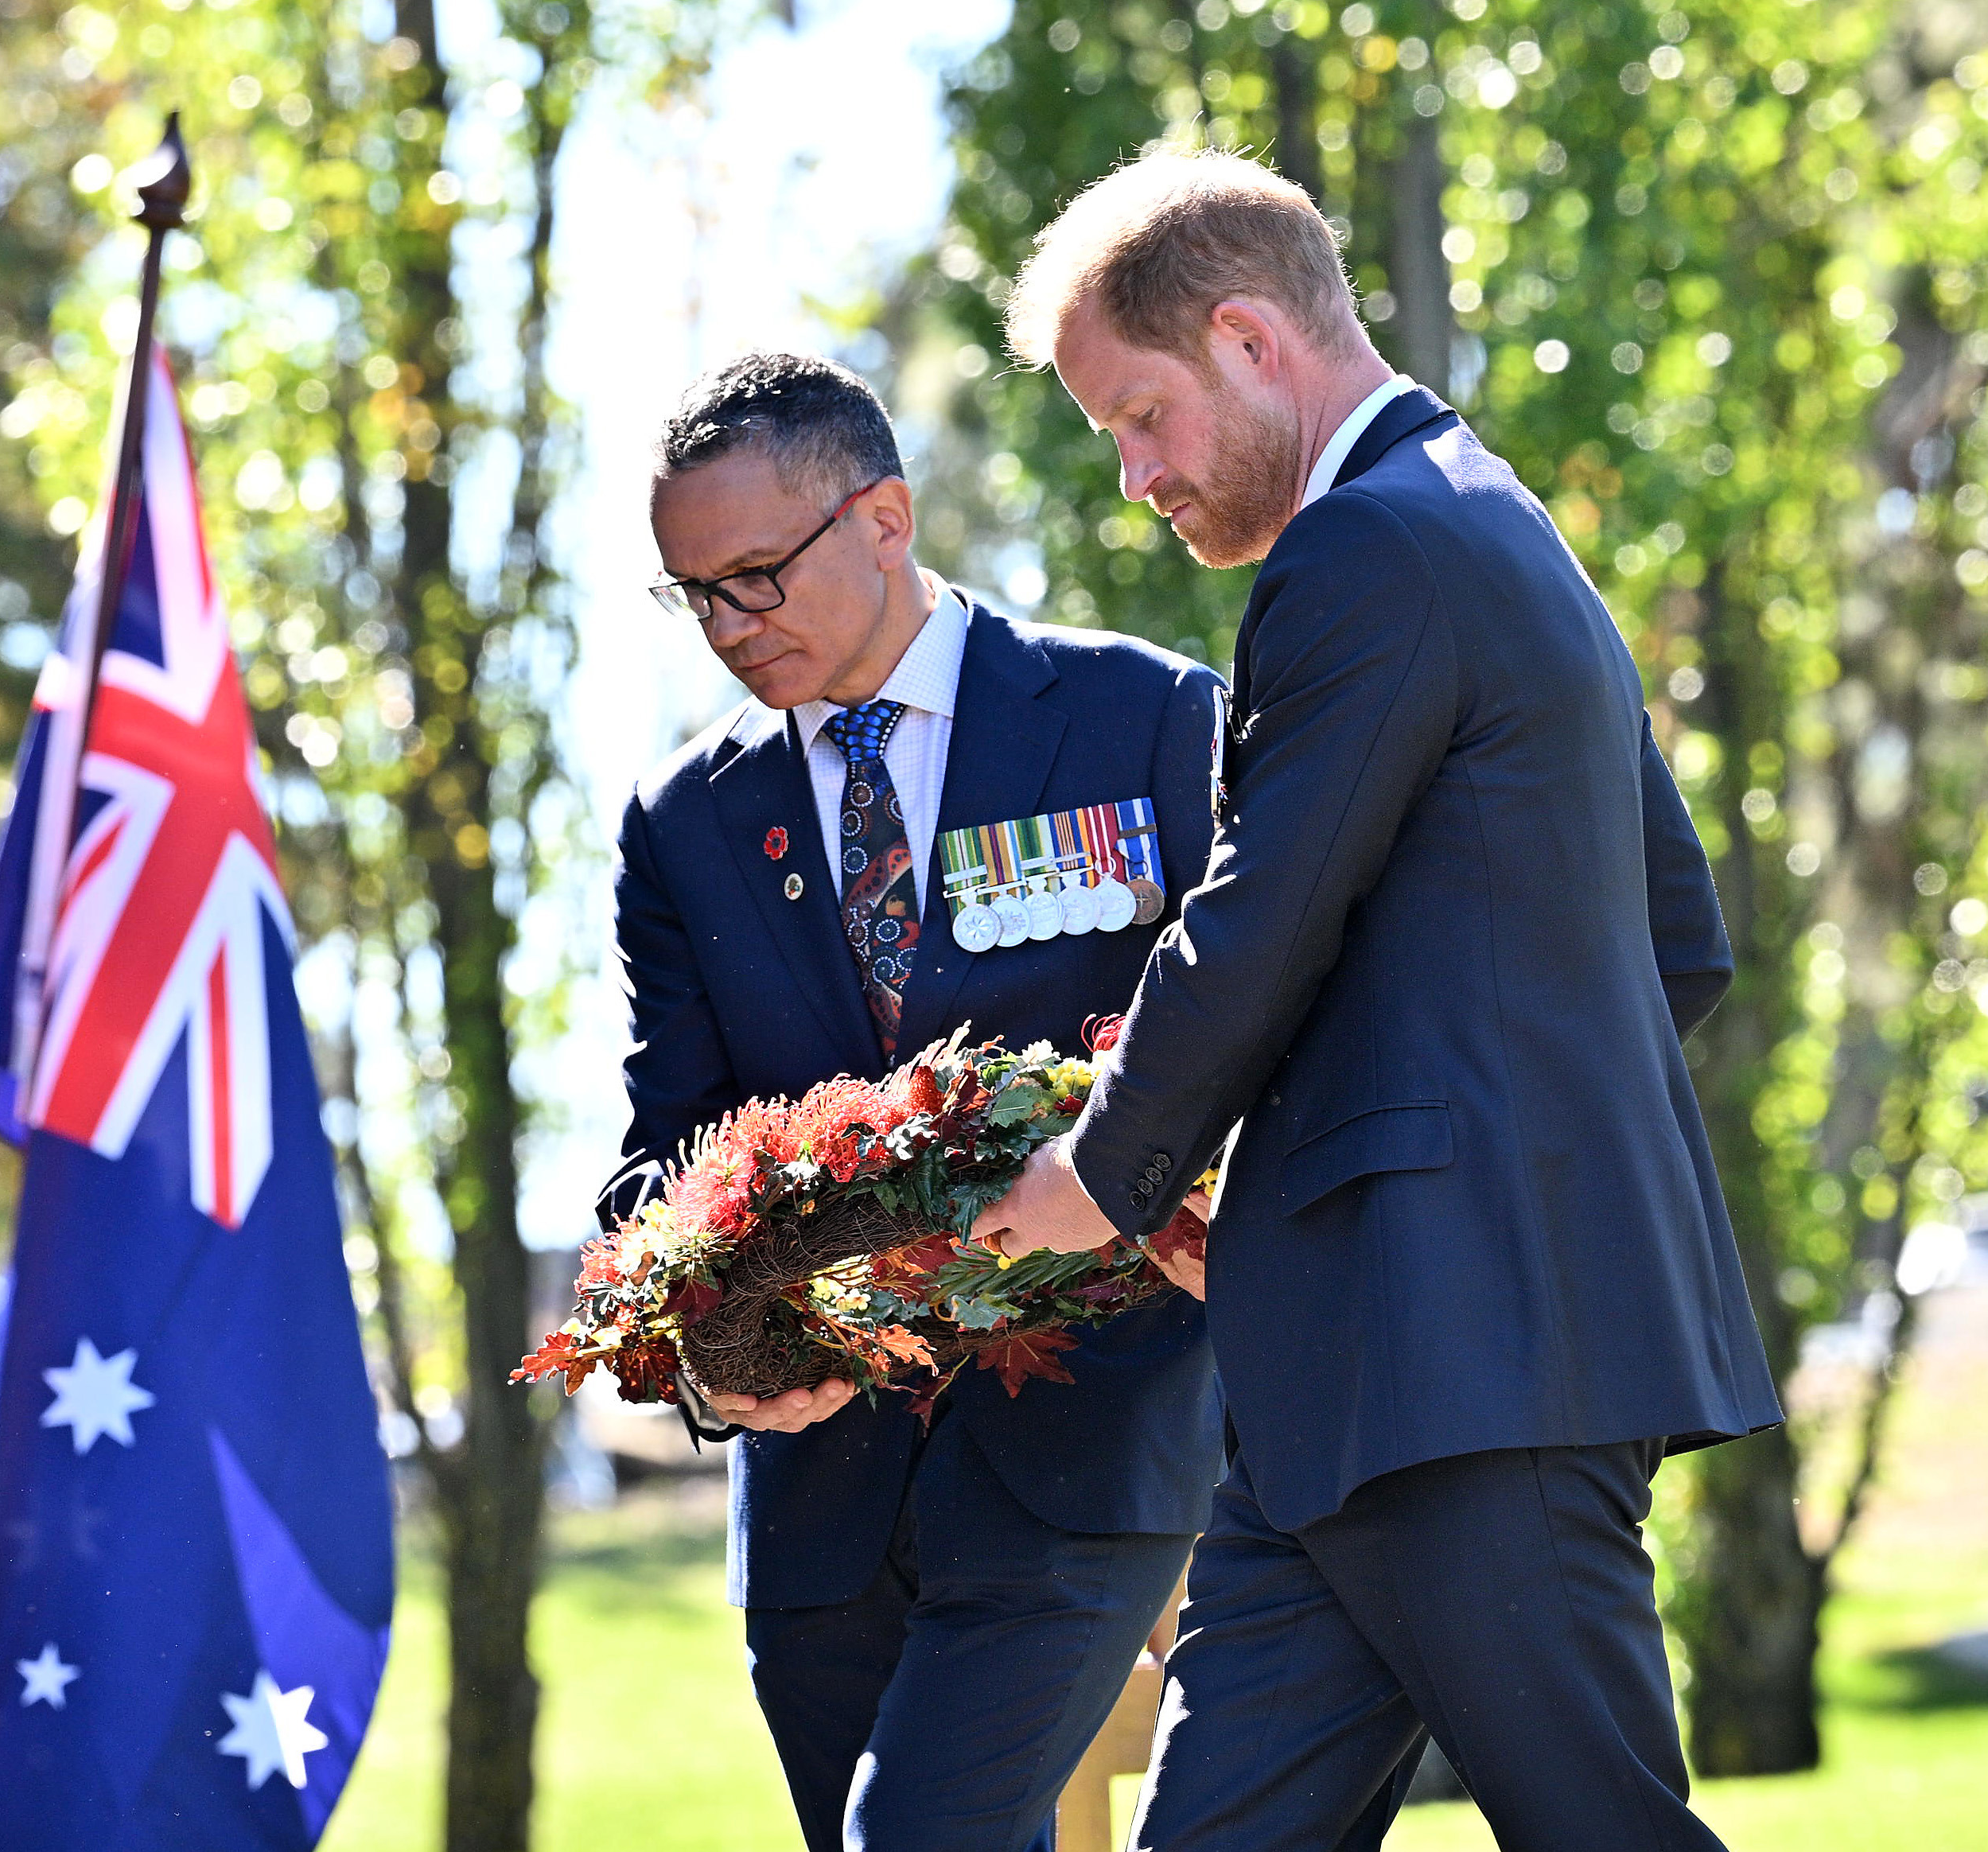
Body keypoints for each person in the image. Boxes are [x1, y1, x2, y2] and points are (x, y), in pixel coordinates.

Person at [978, 149, 1786, 1850]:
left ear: (1251, 341)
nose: (1134, 477)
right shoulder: (1496, 524)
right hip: (1362, 1378)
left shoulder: (1370, 552)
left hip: (1473, 1366)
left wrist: (1107, 1174)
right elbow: (1675, 943)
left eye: (1139, 418)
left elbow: (1257, 922)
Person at [603, 352, 1225, 1852]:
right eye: (692, 595)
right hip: (821, 1505)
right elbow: (663, 1157)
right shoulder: (687, 823)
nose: (728, 629)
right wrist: (700, 1350)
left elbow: (1251, 1046)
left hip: (1084, 1442)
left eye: (756, 576)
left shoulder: (1140, 719)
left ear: (883, 515)